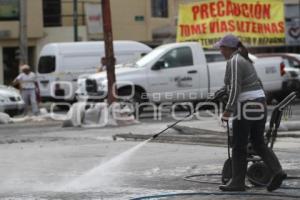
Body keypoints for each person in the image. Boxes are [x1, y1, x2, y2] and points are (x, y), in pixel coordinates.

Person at [214, 34, 286, 192]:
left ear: (228, 48)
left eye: (221, 47)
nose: (220, 51)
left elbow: (235, 89)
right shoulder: (244, 60)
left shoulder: (234, 61)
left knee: (239, 146)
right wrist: (221, 91)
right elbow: (241, 84)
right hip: (259, 104)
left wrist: (227, 111)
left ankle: (237, 182)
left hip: (246, 106)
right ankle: (278, 171)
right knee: (258, 142)